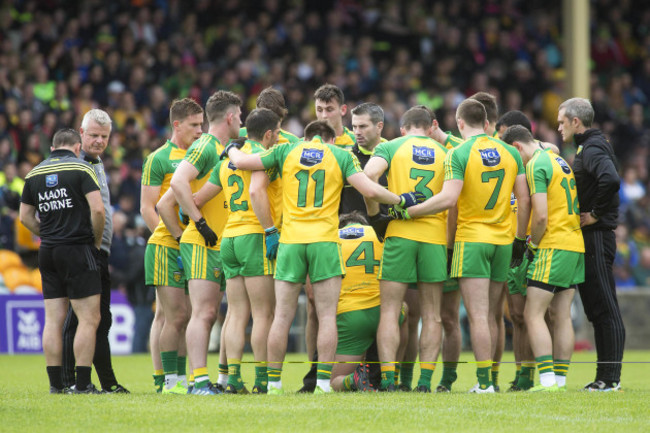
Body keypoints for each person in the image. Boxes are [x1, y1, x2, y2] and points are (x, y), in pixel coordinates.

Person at [225, 120, 423, 394]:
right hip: (325, 242)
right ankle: (321, 384)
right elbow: (368, 189)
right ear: (330, 140)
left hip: (291, 241)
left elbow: (244, 162)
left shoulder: (286, 151)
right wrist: (400, 200)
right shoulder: (341, 155)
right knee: (327, 316)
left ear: (306, 139)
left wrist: (231, 149)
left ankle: (273, 384)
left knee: (281, 316)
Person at [403, 99, 530, 393]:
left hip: (472, 240)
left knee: (476, 316)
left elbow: (449, 201)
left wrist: (409, 211)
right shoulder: (510, 151)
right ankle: (492, 381)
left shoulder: (457, 153)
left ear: (459, 123)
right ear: (486, 123)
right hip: (503, 241)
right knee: (492, 315)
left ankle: (484, 383)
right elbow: (523, 199)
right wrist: (520, 239)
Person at [188, 108, 282, 394]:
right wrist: (270, 231)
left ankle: (233, 379)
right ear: (267, 134)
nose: (278, 137)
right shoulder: (263, 158)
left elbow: (196, 199)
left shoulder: (227, 160)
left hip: (228, 238)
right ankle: (262, 380)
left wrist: (195, 224)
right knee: (263, 313)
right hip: (254, 236)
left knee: (236, 312)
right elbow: (256, 192)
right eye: (277, 132)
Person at [365, 107, 449, 392]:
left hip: (399, 234)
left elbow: (368, 179)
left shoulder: (391, 146)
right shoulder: (445, 152)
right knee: (432, 314)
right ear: (430, 127)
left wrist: (377, 214)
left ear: (403, 129)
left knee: (389, 311)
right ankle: (424, 382)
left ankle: (388, 380)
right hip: (434, 236)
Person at [165, 90, 241, 395]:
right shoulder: (206, 145)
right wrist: (199, 222)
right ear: (231, 117)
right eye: (241, 117)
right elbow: (177, 181)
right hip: (202, 242)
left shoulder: (223, 148)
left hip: (219, 241)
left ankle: (217, 380)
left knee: (218, 312)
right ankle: (197, 381)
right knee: (204, 312)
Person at [19, 128, 105, 393]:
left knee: (53, 320)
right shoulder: (82, 169)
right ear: (77, 147)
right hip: (78, 248)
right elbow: (98, 210)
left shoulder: (34, 173)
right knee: (89, 319)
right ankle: (81, 384)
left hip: (48, 252)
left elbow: (24, 217)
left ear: (54, 147)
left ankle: (56, 386)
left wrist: (47, 234)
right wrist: (96, 242)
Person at [502, 125, 584, 392]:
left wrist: (531, 245)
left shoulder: (536, 164)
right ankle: (559, 381)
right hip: (574, 244)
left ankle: (547, 381)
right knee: (561, 315)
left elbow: (540, 216)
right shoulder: (558, 159)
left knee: (532, 312)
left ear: (516, 147)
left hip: (552, 244)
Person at [558, 97, 625, 392]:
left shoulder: (593, 147)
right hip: (593, 237)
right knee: (598, 309)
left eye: (562, 121)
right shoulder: (589, 146)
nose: (558, 127)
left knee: (605, 308)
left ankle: (609, 379)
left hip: (596, 237)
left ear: (576, 121)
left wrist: (595, 215)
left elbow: (610, 180)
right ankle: (605, 377)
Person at [61, 109, 128, 393]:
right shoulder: (77, 165)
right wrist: (94, 245)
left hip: (100, 250)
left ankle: (106, 382)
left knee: (101, 318)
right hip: (87, 248)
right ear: (81, 133)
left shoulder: (96, 162)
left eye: (104, 136)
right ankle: (69, 381)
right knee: (80, 318)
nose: (99, 141)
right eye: (94, 135)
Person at [140, 98, 204, 394]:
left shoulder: (200, 153)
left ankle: (178, 378)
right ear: (176, 125)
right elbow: (147, 208)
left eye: (202, 124)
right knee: (169, 315)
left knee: (184, 315)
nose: (200, 130)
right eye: (194, 125)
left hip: (193, 244)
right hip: (170, 244)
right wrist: (173, 239)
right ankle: (165, 378)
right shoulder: (159, 158)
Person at [331, 211, 408, 392]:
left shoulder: (333, 238)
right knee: (404, 308)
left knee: (335, 381)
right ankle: (391, 377)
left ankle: (354, 379)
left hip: (352, 317)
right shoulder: (381, 235)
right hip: (385, 314)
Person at [340, 102, 388, 217]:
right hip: (351, 232)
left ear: (379, 126)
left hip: (388, 231)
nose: (356, 132)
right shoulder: (345, 159)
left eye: (362, 126)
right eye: (354, 127)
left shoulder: (396, 157)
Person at [314, 83, 356, 151]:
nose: (324, 115)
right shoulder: (306, 143)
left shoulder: (358, 142)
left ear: (343, 110)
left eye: (329, 109)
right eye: (319, 110)